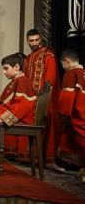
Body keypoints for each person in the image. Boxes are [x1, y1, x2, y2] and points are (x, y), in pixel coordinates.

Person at [23, 28, 64, 171]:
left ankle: (48, 158)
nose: (34, 43)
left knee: (47, 125)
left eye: (36, 40)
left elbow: (50, 77)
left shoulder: (47, 54)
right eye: (31, 40)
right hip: (30, 99)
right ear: (27, 41)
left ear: (41, 40)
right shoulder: (28, 58)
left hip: (44, 98)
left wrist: (43, 96)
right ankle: (31, 157)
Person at [57, 49, 85, 182]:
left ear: (67, 61)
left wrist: (64, 116)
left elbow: (67, 99)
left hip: (77, 116)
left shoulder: (70, 74)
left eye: (62, 64)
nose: (63, 67)